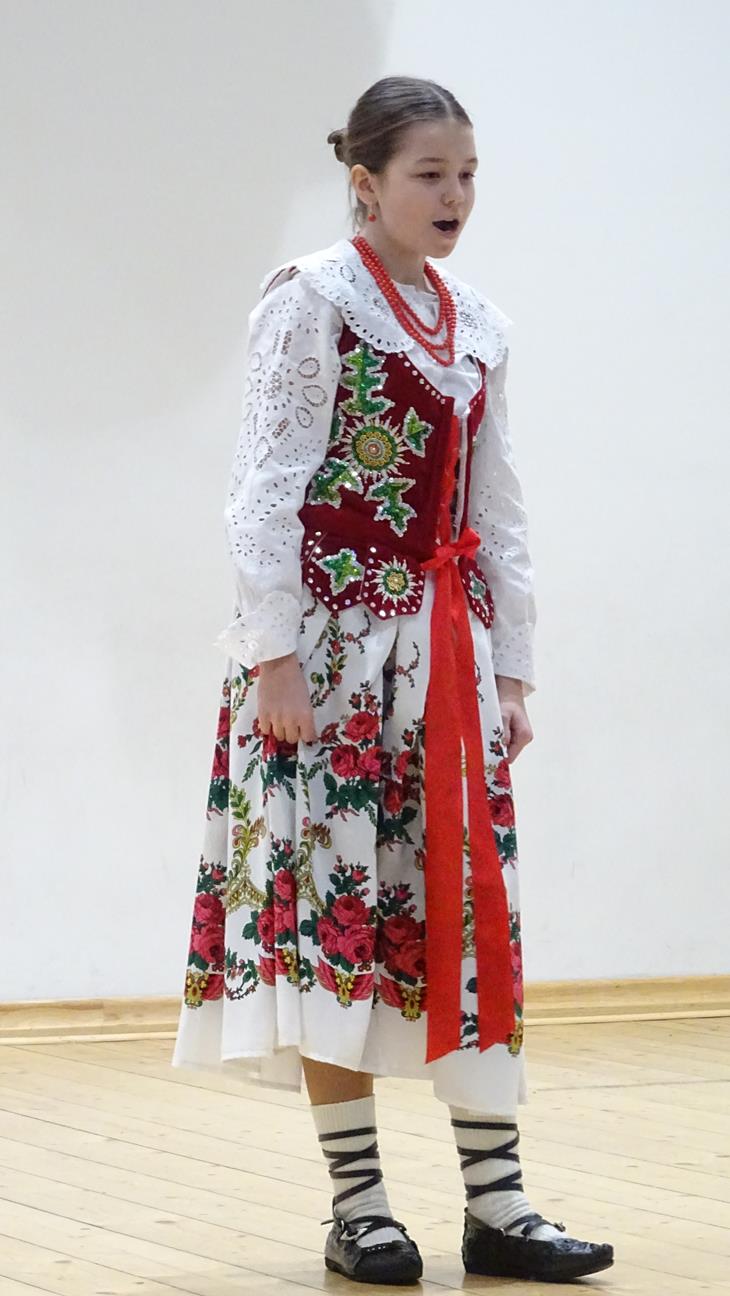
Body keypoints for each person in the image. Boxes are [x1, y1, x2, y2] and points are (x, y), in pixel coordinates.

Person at [170, 75, 614, 1285]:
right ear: (364, 183)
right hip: (329, 665)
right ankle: (359, 1206)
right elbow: (265, 489)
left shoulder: (479, 324)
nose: (455, 194)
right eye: (430, 174)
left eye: (467, 174)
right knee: (342, 919)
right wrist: (274, 660)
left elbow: (494, 507)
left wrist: (513, 671)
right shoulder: (310, 302)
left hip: (446, 662)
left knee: (469, 913)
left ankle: (499, 1203)